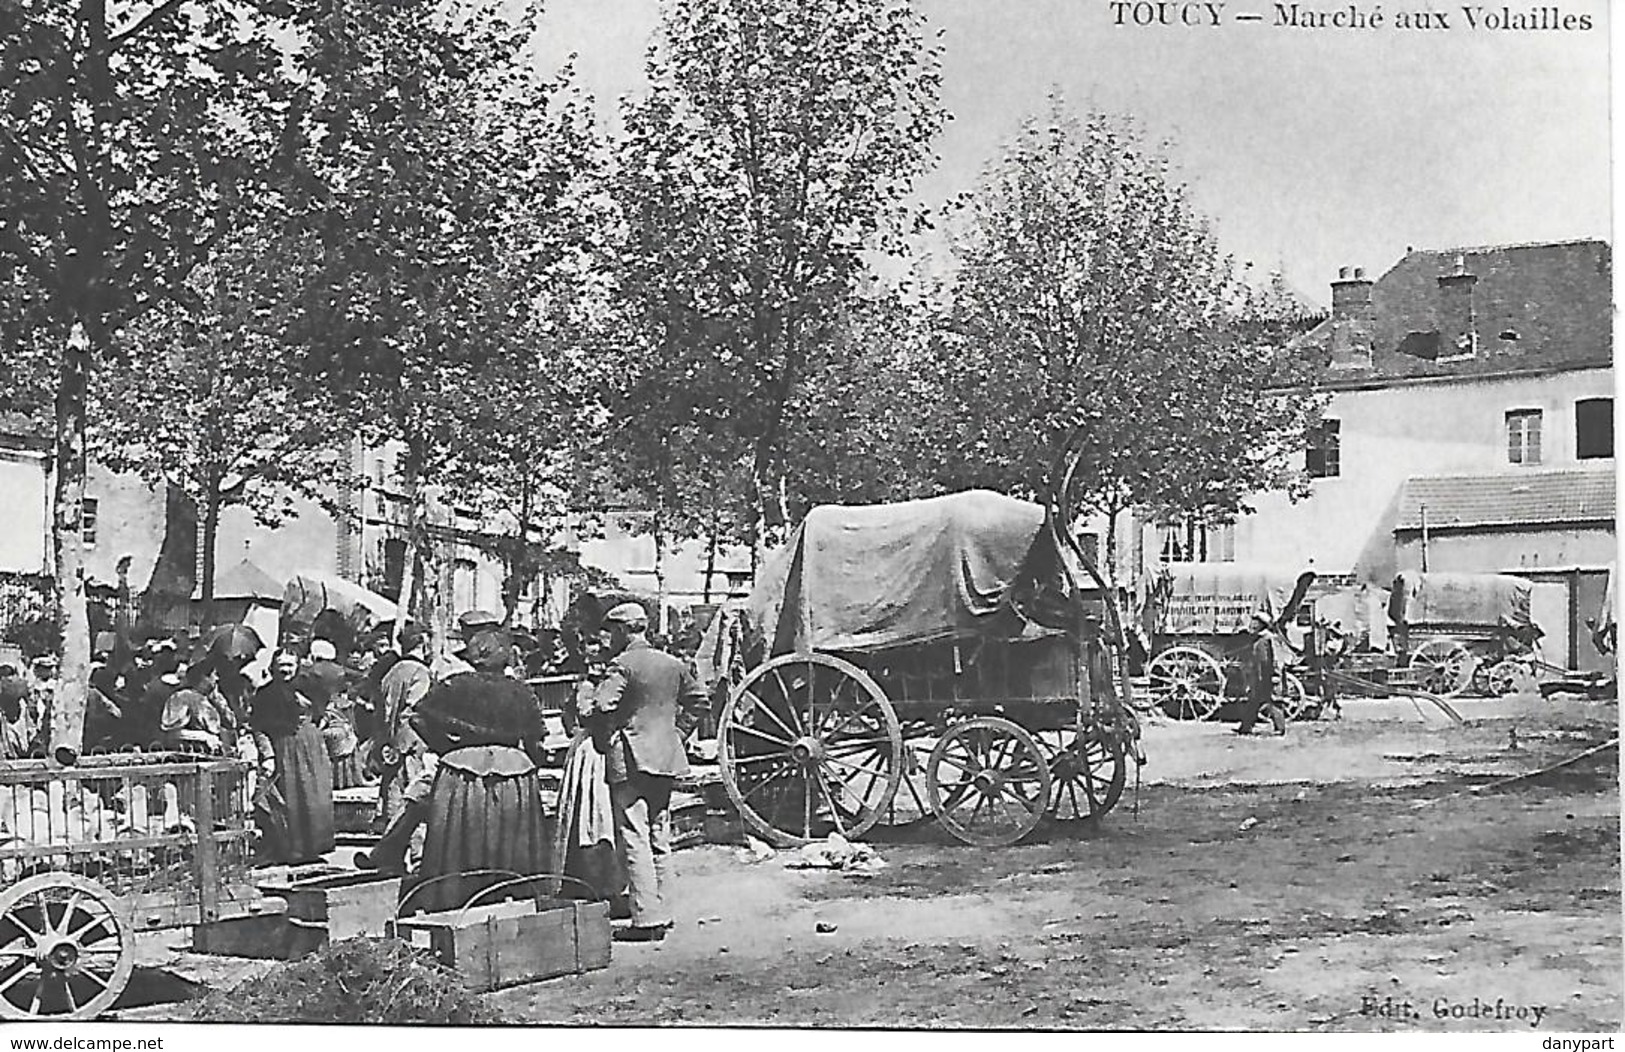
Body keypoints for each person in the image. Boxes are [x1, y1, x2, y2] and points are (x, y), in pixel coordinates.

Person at [581, 602, 707, 942]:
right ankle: (663, 910)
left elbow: (600, 706)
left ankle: (646, 920)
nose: (609, 637)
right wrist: (677, 733)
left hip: (630, 758)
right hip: (665, 757)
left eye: (612, 630)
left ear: (623, 630)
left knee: (634, 834)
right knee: (658, 836)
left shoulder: (621, 665)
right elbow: (699, 702)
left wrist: (588, 697)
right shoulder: (673, 663)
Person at [410, 628, 549, 911]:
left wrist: (445, 749)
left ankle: (458, 899)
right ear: (506, 655)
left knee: (461, 839)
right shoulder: (521, 691)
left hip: (461, 770)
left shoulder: (454, 685)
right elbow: (536, 739)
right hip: (513, 771)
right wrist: (534, 760)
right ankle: (511, 897)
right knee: (512, 842)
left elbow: (417, 718)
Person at [551, 635, 629, 917]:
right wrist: (576, 727)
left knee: (604, 817)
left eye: (599, 660)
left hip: (606, 751)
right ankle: (587, 882)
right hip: (588, 753)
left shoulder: (613, 683)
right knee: (586, 814)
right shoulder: (584, 686)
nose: (594, 665)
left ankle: (613, 884)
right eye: (590, 660)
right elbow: (574, 713)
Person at [356, 624, 434, 873]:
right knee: (415, 802)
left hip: (390, 747)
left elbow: (380, 713)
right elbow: (412, 712)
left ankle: (390, 858)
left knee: (394, 801)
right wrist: (402, 746)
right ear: (423, 643)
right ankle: (418, 857)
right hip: (410, 748)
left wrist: (385, 747)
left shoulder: (391, 672)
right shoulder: (420, 673)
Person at [251, 649, 335, 864]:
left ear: (297, 666)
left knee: (313, 796)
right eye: (281, 664)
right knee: (290, 799)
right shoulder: (265, 694)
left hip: (311, 747)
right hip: (283, 749)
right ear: (273, 667)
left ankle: (313, 848)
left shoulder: (308, 688)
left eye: (290, 664)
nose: (285, 669)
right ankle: (291, 850)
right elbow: (258, 727)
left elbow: (322, 712)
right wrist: (267, 755)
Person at [1235, 609, 1286, 736]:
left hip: (1269, 676)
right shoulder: (1257, 639)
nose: (1252, 625)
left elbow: (1277, 659)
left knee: (1274, 702)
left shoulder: (1270, 639)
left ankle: (1280, 729)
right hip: (1259, 677)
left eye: (1255, 622)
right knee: (1254, 701)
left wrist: (1275, 676)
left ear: (1262, 624)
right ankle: (1245, 728)